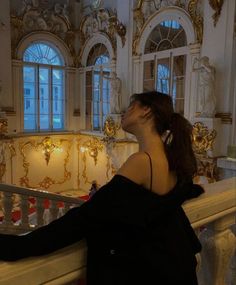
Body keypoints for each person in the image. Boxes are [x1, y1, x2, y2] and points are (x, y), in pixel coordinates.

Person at [0, 91, 204, 285]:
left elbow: (85, 218)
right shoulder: (171, 157)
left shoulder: (142, 161)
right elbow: (164, 203)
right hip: (175, 262)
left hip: (151, 272)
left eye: (131, 107)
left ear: (146, 111)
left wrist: (17, 247)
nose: (124, 113)